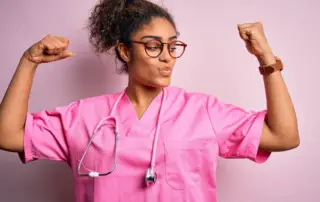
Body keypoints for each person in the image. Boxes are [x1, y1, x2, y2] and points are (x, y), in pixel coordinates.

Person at [0, 0, 299, 202]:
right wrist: (29, 61)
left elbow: (283, 136)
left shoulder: (203, 111)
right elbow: (8, 135)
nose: (168, 56)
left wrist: (266, 59)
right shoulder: (85, 117)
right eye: (154, 46)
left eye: (173, 46)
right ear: (125, 51)